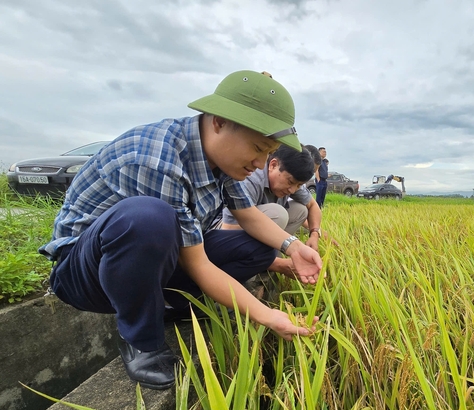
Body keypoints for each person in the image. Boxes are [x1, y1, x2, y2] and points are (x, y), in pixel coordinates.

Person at [40, 70, 321, 390]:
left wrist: (293, 247)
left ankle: (170, 307)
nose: (261, 163)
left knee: (258, 247)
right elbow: (197, 264)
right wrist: (266, 315)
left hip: (153, 261)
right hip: (86, 271)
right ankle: (140, 339)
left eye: (268, 153)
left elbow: (249, 215)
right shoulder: (158, 158)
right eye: (257, 148)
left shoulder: (222, 161)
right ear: (219, 122)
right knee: (149, 218)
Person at [222, 144, 323, 270]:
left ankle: (271, 256)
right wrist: (278, 264)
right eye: (290, 182)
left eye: (299, 185)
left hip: (255, 225)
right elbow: (227, 229)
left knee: (301, 210)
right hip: (223, 232)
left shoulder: (291, 180)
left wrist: (314, 234)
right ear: (273, 165)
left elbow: (313, 205)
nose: (292, 190)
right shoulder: (250, 179)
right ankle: (257, 265)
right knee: (278, 214)